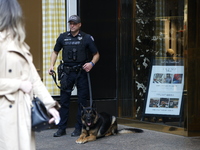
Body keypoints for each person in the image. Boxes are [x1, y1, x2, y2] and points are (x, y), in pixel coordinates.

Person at [0, 0, 60, 150]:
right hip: (5, 114)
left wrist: (50, 105)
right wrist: (18, 84)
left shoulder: (19, 44)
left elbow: (34, 79)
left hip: (22, 113)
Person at [49, 15, 100, 137]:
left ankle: (79, 128)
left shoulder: (86, 38)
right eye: (70, 23)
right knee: (64, 101)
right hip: (67, 73)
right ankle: (61, 128)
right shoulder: (63, 37)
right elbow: (55, 52)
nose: (72, 25)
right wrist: (51, 66)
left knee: (81, 101)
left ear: (79, 25)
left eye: (74, 23)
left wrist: (91, 64)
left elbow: (96, 54)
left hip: (81, 72)